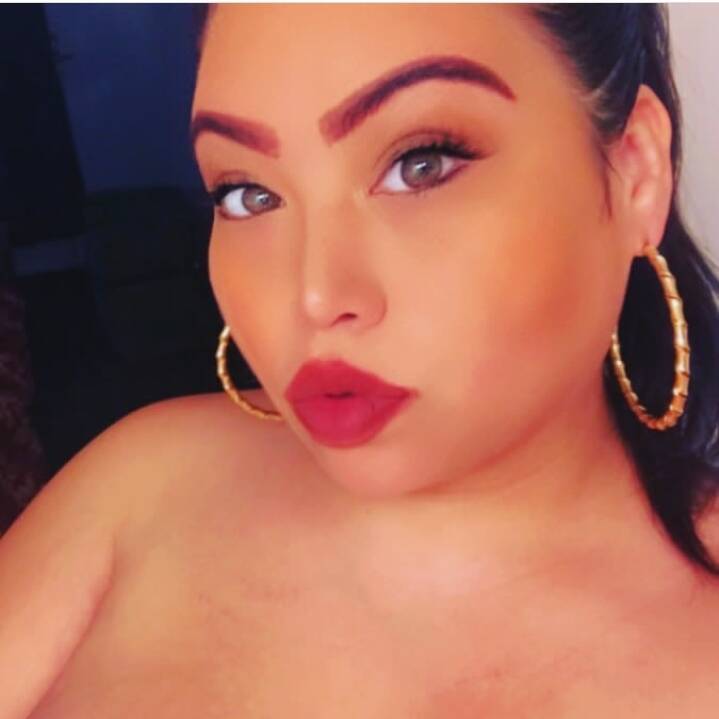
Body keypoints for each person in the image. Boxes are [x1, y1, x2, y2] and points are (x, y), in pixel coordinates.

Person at [2, 3, 719, 716]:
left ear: (634, 171)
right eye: (248, 194)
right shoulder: (142, 485)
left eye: (421, 164)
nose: (314, 295)